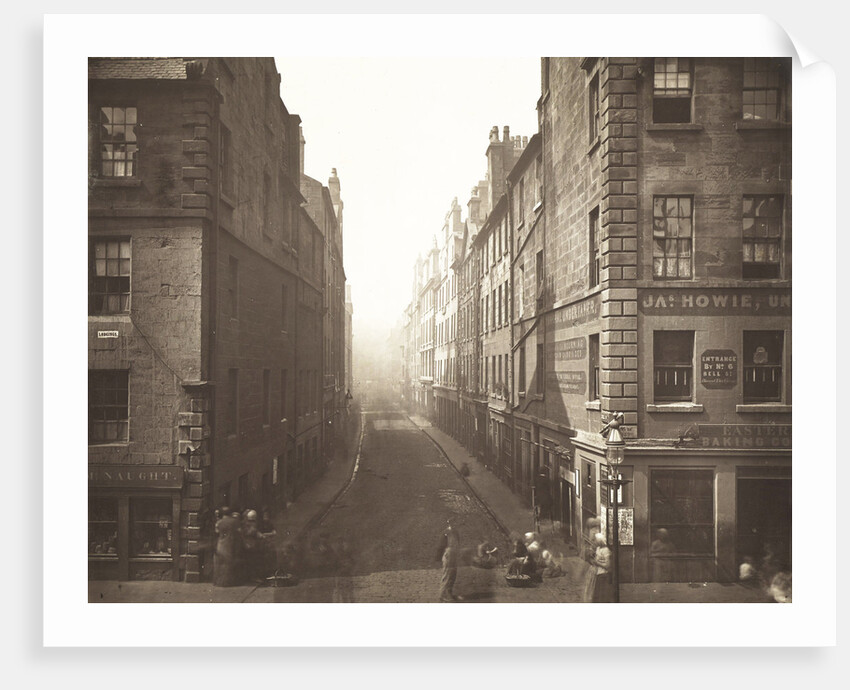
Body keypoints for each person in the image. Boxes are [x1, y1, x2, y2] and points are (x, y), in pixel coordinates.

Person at [213, 507, 243, 587]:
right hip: (230, 544)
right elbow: (239, 532)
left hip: (221, 544)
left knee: (220, 563)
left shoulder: (219, 522)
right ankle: (228, 582)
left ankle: (219, 582)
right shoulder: (235, 521)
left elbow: (216, 532)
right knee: (229, 563)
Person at [436, 518, 462, 602]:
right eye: (452, 522)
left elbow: (458, 543)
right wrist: (441, 557)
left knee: (453, 575)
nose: (454, 524)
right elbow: (441, 546)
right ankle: (442, 595)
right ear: (449, 523)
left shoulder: (456, 532)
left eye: (455, 522)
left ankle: (449, 593)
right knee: (447, 575)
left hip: (455, 554)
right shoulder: (445, 533)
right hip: (448, 554)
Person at [588, 532, 613, 602]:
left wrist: (597, 563)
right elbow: (596, 560)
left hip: (603, 575)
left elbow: (608, 566)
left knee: (602, 597)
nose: (594, 542)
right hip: (597, 574)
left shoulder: (606, 550)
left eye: (595, 540)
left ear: (599, 541)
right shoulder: (598, 548)